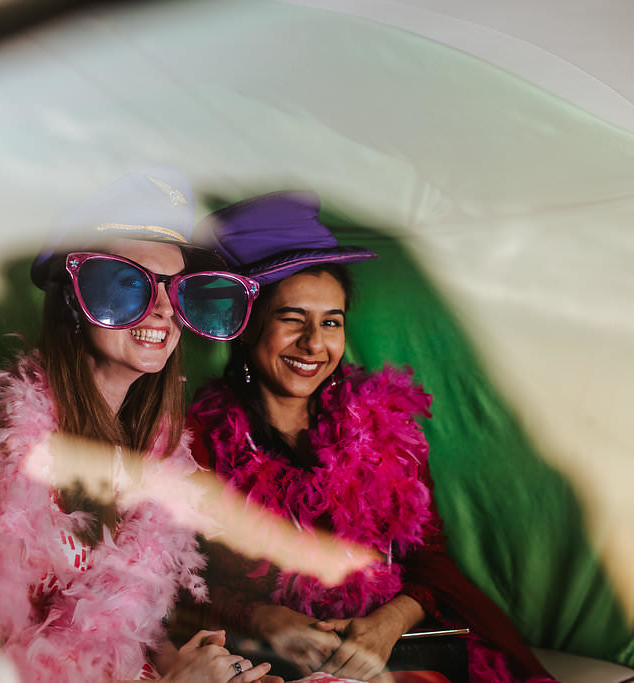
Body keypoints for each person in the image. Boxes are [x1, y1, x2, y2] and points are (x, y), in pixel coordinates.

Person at [184, 191, 557, 683]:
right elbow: (171, 589)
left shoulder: (386, 426)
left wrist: (388, 623)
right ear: (247, 326)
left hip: (395, 656)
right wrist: (258, 616)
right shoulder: (194, 441)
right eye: (292, 319)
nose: (314, 344)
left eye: (331, 322)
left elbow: (431, 562)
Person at [0, 169, 275, 682]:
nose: (163, 308)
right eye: (127, 284)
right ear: (74, 299)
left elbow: (117, 633)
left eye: (181, 289)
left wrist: (191, 666)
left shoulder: (155, 455)